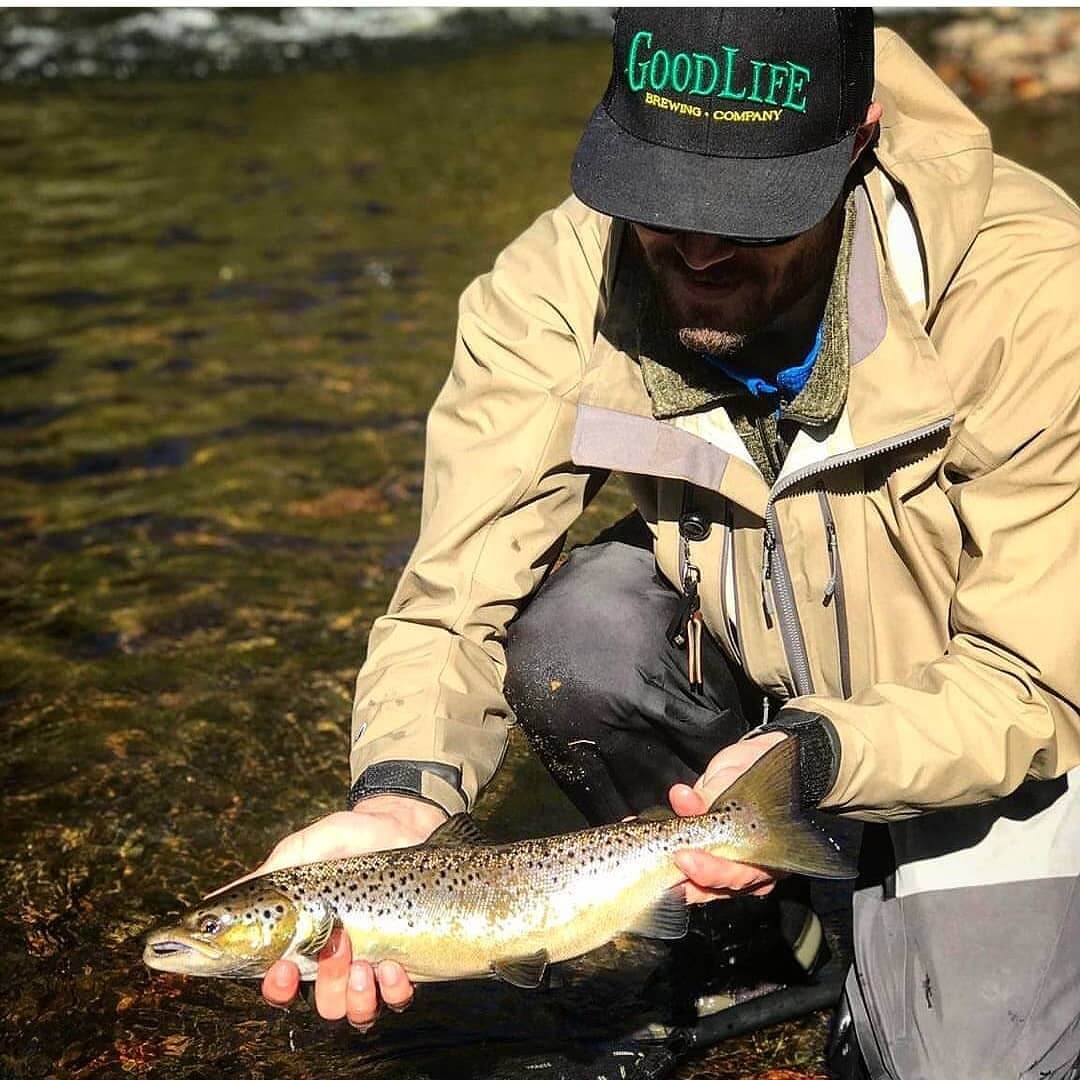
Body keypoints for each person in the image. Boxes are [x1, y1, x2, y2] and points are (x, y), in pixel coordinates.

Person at [241, 10, 1080, 1078]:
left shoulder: (1033, 289)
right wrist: (401, 796)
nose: (696, 249)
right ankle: (745, 934)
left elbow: (1035, 680)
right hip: (766, 721)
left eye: (748, 213)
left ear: (858, 138)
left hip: (997, 729)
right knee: (583, 628)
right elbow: (453, 601)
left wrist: (817, 755)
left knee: (965, 1064)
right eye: (663, 201)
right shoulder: (553, 287)